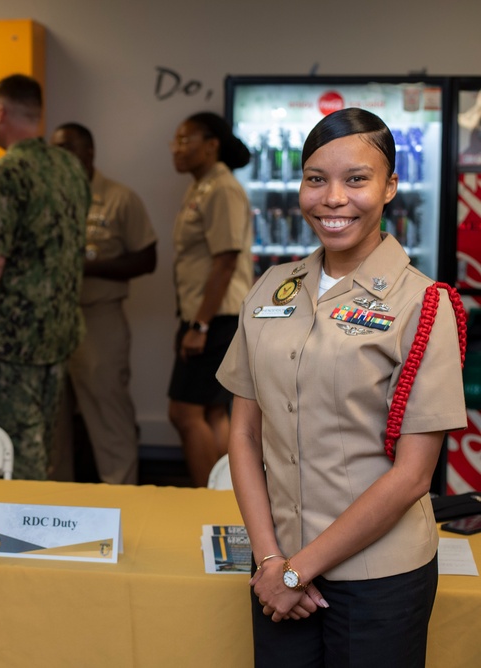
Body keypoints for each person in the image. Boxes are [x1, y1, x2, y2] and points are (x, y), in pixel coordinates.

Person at [217, 108, 467, 667]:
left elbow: (411, 476)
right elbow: (243, 435)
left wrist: (295, 571)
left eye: (356, 179)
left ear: (390, 188)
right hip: (276, 568)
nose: (333, 198)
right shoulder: (270, 289)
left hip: (380, 580)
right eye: (316, 179)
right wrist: (268, 562)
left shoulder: (423, 305)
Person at [0, 74, 89, 481]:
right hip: (59, 332)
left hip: (14, 340)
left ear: (0, 113)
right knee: (43, 443)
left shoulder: (4, 174)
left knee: (15, 450)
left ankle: (21, 535)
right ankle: (39, 521)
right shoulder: (71, 167)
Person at [50, 122, 157, 484]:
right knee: (53, 421)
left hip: (98, 320)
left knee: (108, 415)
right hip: (51, 322)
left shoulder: (118, 198)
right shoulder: (48, 198)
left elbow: (147, 259)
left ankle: (121, 496)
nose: (61, 156)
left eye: (68, 148)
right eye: (55, 149)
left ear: (89, 152)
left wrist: (87, 267)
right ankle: (53, 503)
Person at [167, 111, 253, 487]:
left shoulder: (222, 188)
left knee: (184, 412)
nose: (177, 148)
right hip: (207, 317)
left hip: (215, 319)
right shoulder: (202, 185)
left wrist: (199, 325)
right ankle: (225, 498)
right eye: (176, 140)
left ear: (211, 145)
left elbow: (225, 260)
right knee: (213, 412)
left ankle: (206, 497)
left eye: (186, 140)